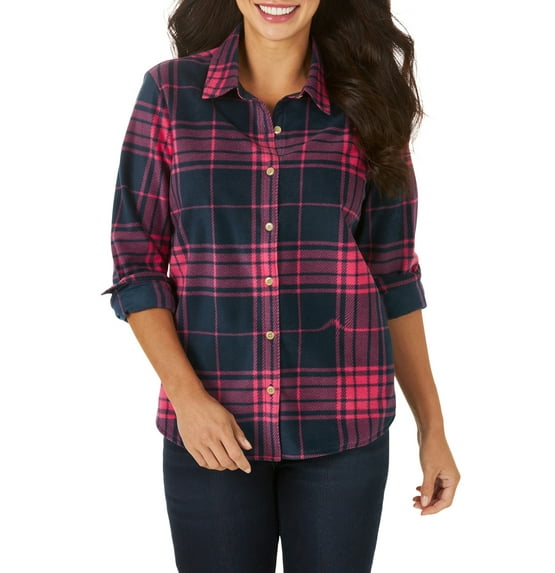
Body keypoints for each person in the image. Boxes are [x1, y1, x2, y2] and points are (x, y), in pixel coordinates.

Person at [105, 1, 460, 571]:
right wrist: (187, 398)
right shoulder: (170, 95)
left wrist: (432, 429)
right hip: (211, 431)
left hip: (345, 427)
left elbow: (393, 275)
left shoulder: (370, 104)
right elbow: (137, 261)